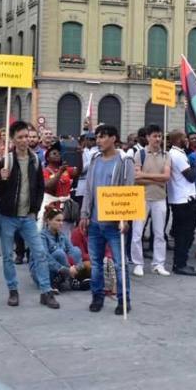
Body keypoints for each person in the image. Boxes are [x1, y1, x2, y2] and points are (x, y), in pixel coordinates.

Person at [0, 121, 60, 309]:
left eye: (26, 136)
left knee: (39, 252)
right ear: (13, 139)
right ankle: (13, 290)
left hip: (28, 216)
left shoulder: (35, 160)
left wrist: (35, 209)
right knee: (8, 255)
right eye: (20, 137)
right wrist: (2, 178)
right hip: (8, 216)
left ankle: (46, 291)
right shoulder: (6, 160)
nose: (24, 140)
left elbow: (40, 187)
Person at [79, 123, 135, 315]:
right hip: (95, 222)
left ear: (113, 138)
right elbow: (88, 189)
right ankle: (97, 297)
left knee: (120, 264)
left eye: (103, 137)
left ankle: (123, 300)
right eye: (97, 137)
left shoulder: (124, 160)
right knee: (96, 264)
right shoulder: (94, 159)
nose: (99, 141)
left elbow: (128, 191)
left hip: (114, 222)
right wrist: (84, 214)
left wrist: (125, 219)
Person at [131, 124, 171, 277]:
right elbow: (136, 176)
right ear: (147, 137)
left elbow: (167, 177)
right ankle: (138, 263)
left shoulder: (166, 155)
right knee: (137, 233)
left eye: (160, 136)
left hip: (160, 198)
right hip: (142, 197)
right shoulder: (139, 154)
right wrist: (157, 178)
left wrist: (145, 176)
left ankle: (158, 263)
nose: (158, 139)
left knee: (159, 233)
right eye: (154, 136)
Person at [166, 131, 196, 276]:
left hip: (183, 198)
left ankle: (181, 262)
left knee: (186, 233)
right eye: (184, 138)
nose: (187, 140)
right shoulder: (177, 155)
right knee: (184, 234)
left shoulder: (178, 153)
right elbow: (191, 176)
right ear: (179, 140)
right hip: (183, 200)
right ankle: (180, 264)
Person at [40, 205, 90, 291]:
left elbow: (72, 251)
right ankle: (73, 280)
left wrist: (77, 267)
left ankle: (72, 278)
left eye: (62, 221)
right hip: (43, 270)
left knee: (76, 250)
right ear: (48, 221)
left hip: (62, 271)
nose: (61, 223)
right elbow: (45, 258)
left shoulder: (62, 235)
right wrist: (65, 269)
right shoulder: (41, 236)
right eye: (58, 220)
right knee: (59, 253)